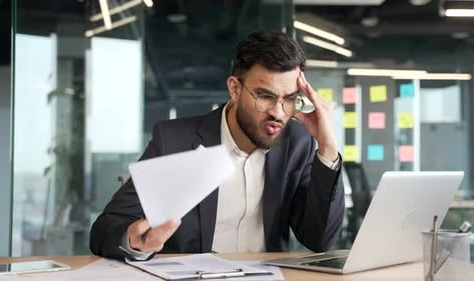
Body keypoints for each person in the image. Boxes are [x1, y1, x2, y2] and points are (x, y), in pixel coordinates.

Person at [90, 29, 345, 260]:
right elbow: (106, 228)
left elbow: (318, 239)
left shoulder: (296, 144)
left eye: (290, 99)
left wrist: (328, 148)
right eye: (265, 96)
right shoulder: (175, 140)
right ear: (235, 89)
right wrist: (133, 241)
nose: (278, 113)